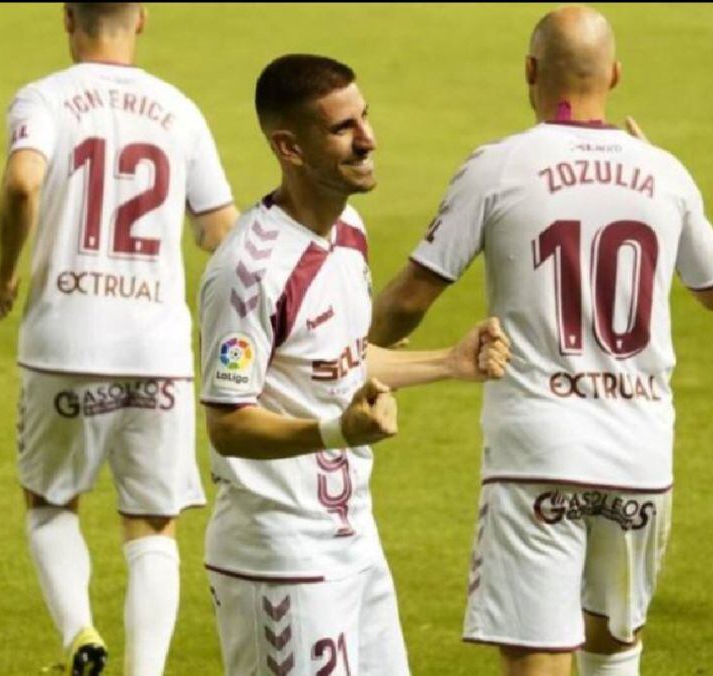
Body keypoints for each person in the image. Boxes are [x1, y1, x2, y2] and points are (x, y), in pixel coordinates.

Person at [369, 7, 713, 675]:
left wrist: (340, 353)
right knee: (614, 642)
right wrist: (661, 178)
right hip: (640, 453)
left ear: (530, 70)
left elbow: (409, 300)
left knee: (538, 651)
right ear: (615, 75)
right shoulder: (665, 172)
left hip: (537, 449)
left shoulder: (500, 165)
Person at [198, 54, 511, 676]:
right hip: (281, 555)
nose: (368, 139)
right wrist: (337, 432)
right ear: (289, 147)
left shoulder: (349, 233)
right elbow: (228, 423)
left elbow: (338, 361)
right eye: (343, 128)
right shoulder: (249, 272)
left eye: (364, 117)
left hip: (354, 540)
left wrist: (449, 363)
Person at [0, 4, 239, 674]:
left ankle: (81, 635)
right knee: (153, 525)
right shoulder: (179, 109)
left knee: (50, 503)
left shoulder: (45, 98)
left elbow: (21, 182)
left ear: (68, 16)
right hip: (158, 352)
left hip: (64, 345)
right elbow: (221, 230)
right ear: (142, 18)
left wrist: (5, 273)